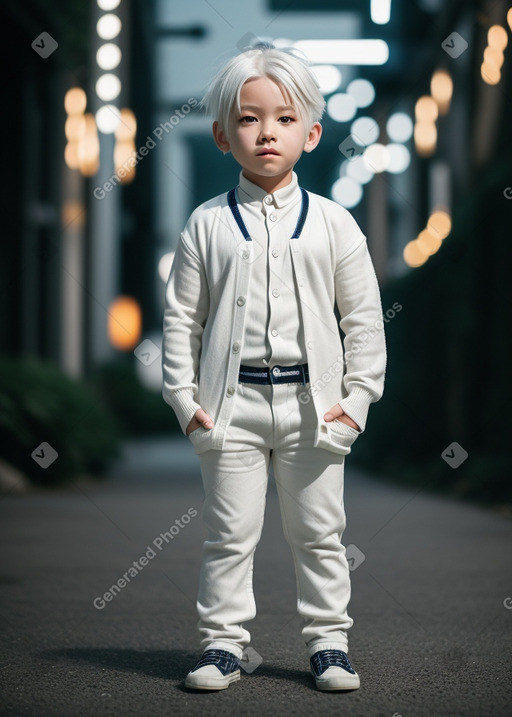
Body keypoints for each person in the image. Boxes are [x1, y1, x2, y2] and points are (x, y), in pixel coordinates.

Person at [162, 42, 387, 692]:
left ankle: (329, 643)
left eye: (285, 118)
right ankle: (222, 646)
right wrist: (185, 400)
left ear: (312, 132)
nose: (267, 133)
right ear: (222, 134)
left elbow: (363, 321)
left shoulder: (335, 224)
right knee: (229, 535)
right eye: (249, 118)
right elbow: (182, 320)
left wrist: (357, 398)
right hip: (228, 408)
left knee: (320, 531)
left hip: (313, 407)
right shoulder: (206, 224)